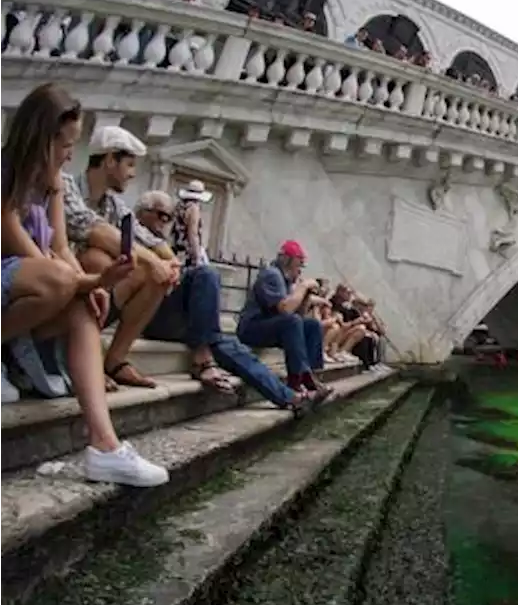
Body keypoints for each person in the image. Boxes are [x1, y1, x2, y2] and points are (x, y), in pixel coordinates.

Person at [0, 83, 167, 486]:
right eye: (65, 145)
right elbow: (31, 254)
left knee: (84, 305)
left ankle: (105, 445)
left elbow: (59, 245)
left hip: (33, 285)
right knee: (65, 282)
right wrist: (83, 279)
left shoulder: (54, 183)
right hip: (14, 276)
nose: (70, 154)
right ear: (40, 138)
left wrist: (93, 285)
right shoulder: (5, 172)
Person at [134, 190, 321, 416]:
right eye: (160, 215)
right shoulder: (132, 236)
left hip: (179, 315)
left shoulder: (163, 244)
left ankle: (288, 397)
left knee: (232, 348)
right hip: (150, 314)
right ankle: (203, 359)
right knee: (206, 275)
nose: (165, 222)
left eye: (169, 217)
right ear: (142, 213)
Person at [69, 126, 181, 389]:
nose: (132, 173)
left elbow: (146, 238)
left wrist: (170, 262)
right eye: (129, 164)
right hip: (66, 290)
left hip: (99, 295)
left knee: (156, 277)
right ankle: (86, 359)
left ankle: (116, 360)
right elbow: (99, 232)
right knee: (97, 258)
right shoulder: (69, 188)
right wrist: (153, 261)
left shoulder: (113, 203)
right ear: (109, 160)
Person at [237, 240, 331, 399]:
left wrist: (306, 296)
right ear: (289, 260)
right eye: (299, 264)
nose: (301, 270)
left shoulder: (286, 280)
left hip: (273, 326)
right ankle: (297, 379)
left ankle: (313, 375)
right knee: (292, 321)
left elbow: (298, 318)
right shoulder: (271, 274)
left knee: (312, 325)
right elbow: (285, 310)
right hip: (252, 327)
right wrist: (302, 287)